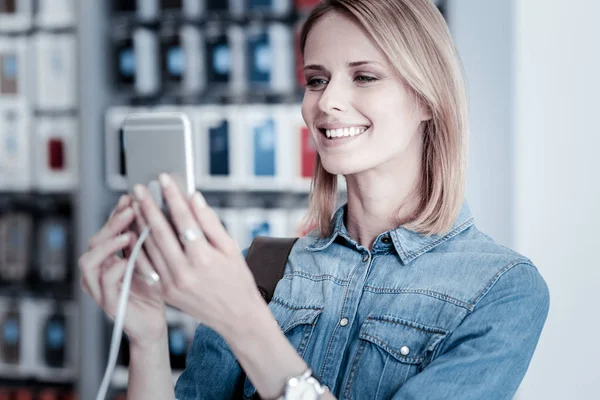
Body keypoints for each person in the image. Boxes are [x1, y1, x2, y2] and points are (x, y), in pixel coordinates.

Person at [79, 0, 550, 399]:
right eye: (317, 80)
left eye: (364, 76)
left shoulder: (502, 291)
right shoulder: (260, 270)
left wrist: (247, 324)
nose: (326, 104)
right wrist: (147, 336)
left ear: (428, 98)